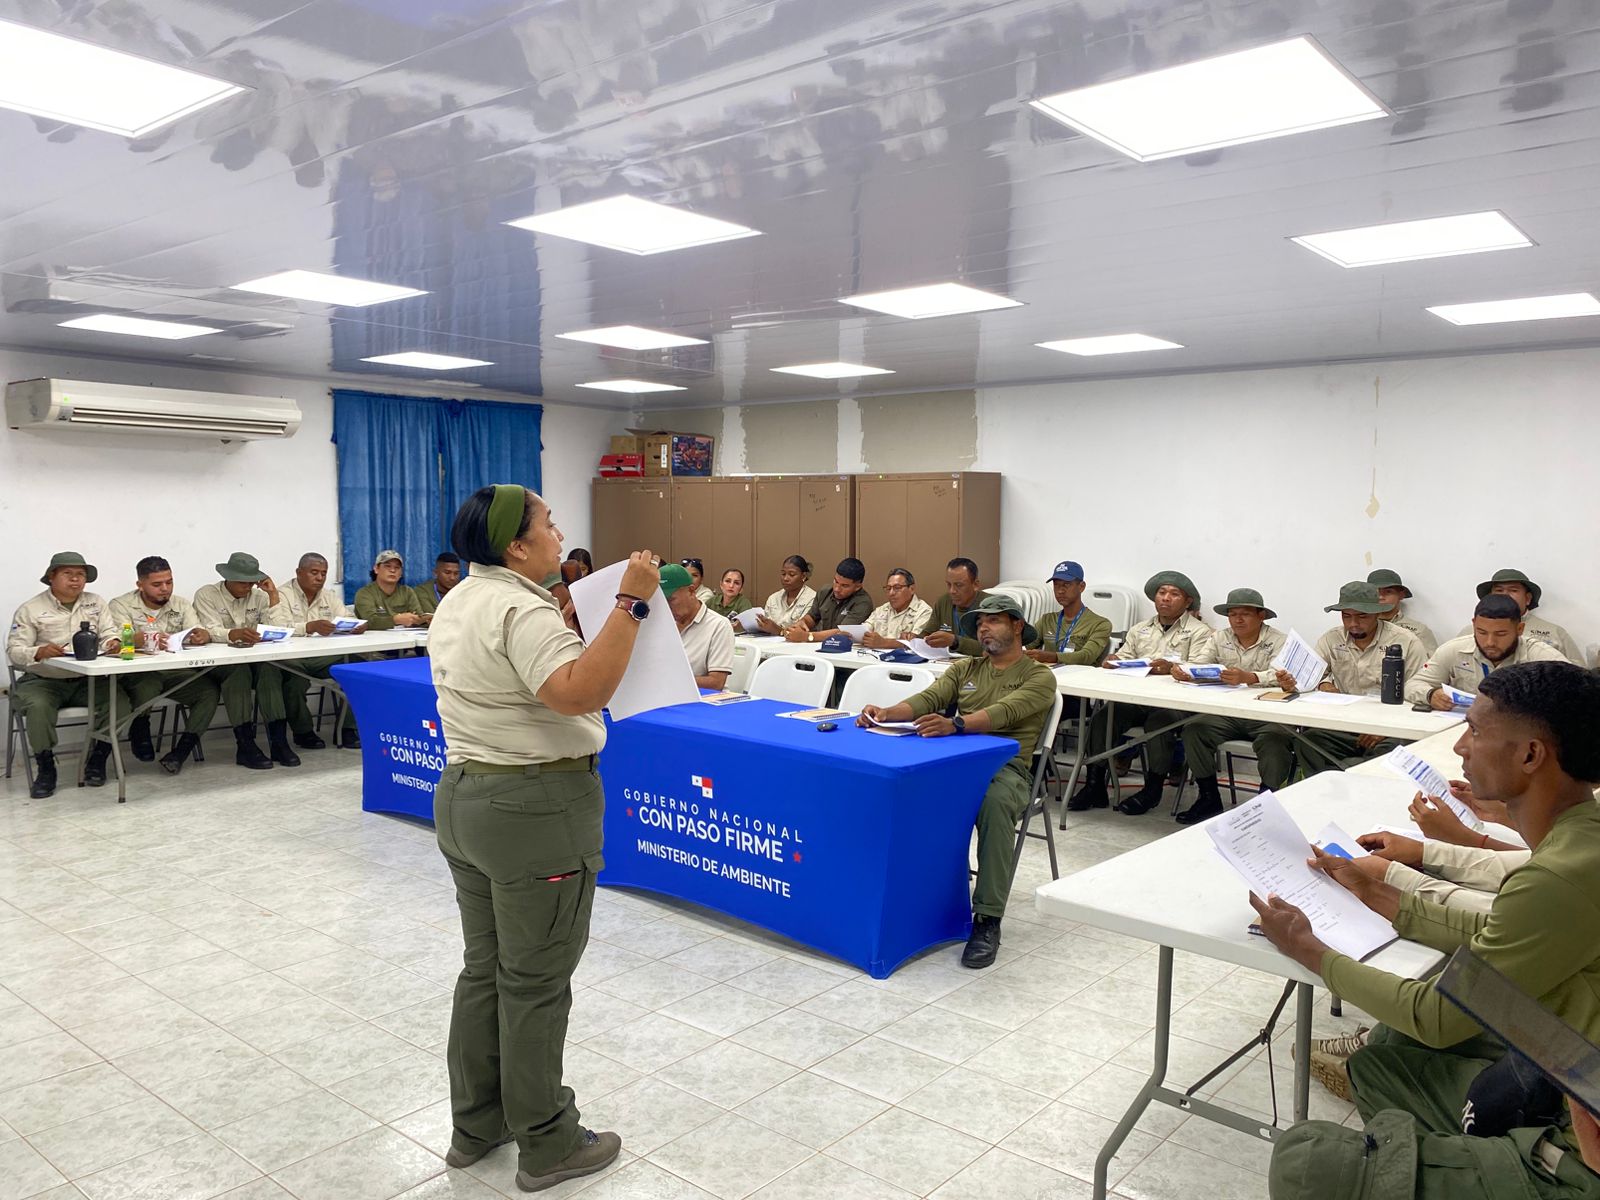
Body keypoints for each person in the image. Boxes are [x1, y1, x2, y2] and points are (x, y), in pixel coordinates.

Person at [1254, 662, 1600, 1200]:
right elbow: (1502, 929)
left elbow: (1435, 1017)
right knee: (1381, 1054)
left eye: (1476, 731)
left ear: (1531, 755)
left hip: (1582, 1135)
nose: (1461, 746)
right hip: (1572, 1062)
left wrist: (1309, 949)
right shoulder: (1581, 838)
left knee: (1308, 1166)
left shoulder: (1557, 876)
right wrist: (1379, 894)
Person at [428, 483, 654, 1191]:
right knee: (534, 982)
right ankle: (548, 1141)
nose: (560, 534)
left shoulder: (461, 598)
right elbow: (578, 692)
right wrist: (631, 604)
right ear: (516, 546)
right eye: (548, 525)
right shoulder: (520, 609)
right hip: (534, 808)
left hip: (467, 797)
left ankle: (477, 1126)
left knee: (486, 970)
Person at [857, 595, 1056, 969]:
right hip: (956, 763)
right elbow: (929, 698)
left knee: (994, 804)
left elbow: (1005, 711)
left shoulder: (1039, 676)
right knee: (908, 792)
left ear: (1017, 626)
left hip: (1006, 768)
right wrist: (886, 712)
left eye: (993, 621)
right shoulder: (966, 668)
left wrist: (956, 724)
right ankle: (920, 898)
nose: (983, 628)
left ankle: (987, 918)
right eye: (979, 623)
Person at [1068, 571, 1216, 815]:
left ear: (1187, 601)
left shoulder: (1201, 632)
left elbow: (1200, 667)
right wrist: (1114, 660)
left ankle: (1153, 789)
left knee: (1160, 723)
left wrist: (1172, 668)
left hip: (1177, 703)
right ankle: (1095, 785)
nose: (1165, 598)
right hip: (1138, 698)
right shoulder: (1140, 629)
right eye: (1161, 593)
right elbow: (1125, 657)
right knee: (1103, 718)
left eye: (1174, 594)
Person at [1171, 587, 1292, 824]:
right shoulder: (1220, 637)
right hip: (1226, 713)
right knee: (1194, 730)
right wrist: (1185, 672)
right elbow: (1200, 663)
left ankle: (1267, 804)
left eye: (1245, 614)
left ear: (1261, 616)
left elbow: (1284, 675)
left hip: (1267, 714)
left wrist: (1251, 677)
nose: (1238, 620)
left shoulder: (1279, 641)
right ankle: (1208, 797)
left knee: (1276, 740)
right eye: (1233, 614)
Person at [6, 551, 123, 796]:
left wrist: (113, 642)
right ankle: (46, 768)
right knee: (38, 707)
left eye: (81, 574)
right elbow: (14, 651)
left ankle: (98, 759)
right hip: (44, 680)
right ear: (51, 576)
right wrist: (39, 651)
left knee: (120, 703)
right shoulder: (31, 609)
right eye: (68, 574)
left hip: (87, 680)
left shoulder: (95, 602)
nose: (75, 579)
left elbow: (109, 633)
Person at [1283, 581, 1427, 774]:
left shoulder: (1405, 641)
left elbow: (1419, 691)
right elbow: (1310, 674)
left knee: (1390, 753)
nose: (1353, 624)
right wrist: (1323, 684)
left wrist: (1386, 728)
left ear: (1377, 614)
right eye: (1346, 616)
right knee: (1308, 742)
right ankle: (1330, 788)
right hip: (1345, 724)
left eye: (1362, 616)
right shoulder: (1332, 639)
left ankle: (1356, 783)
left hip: (1390, 726)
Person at [107, 556, 221, 775]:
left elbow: (196, 629)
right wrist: (138, 640)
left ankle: (181, 752)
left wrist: (201, 635)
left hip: (174, 672)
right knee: (148, 684)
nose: (165, 589)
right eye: (157, 584)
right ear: (140, 585)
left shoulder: (180, 604)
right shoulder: (120, 605)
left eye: (169, 582)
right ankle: (140, 727)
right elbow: (114, 641)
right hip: (137, 673)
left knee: (208, 692)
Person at [190, 551, 284, 770]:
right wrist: (232, 634)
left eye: (251, 582)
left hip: (255, 658)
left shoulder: (260, 596)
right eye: (243, 582)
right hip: (220, 663)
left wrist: (273, 596)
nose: (248, 587)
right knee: (238, 673)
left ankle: (279, 742)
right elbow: (209, 630)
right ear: (228, 577)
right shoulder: (207, 594)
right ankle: (246, 744)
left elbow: (279, 630)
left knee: (271, 670)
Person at [266, 552, 365, 751]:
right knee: (294, 680)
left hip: (323, 658)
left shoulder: (328, 595)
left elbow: (347, 616)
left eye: (323, 573)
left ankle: (348, 729)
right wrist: (309, 627)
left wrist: (356, 626)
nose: (319, 578)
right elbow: (278, 628)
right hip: (293, 658)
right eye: (314, 572)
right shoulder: (283, 594)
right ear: (299, 572)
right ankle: (303, 732)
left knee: (360, 669)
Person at [1406, 594, 1568, 709]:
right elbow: (1412, 685)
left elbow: (1576, 699)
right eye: (1482, 632)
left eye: (1501, 634)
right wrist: (1431, 695)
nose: (1490, 642)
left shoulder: (1544, 658)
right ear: (1474, 624)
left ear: (1520, 629)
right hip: (1462, 731)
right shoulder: (1454, 650)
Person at [1458, 568, 1583, 664]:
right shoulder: (1468, 632)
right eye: (1499, 590)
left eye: (1513, 590)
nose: (1505, 595)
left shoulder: (1555, 633)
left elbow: (1579, 675)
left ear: (1527, 598)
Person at [659, 564, 735, 689]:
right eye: (661, 602)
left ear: (691, 591)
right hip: (665, 693)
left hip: (702, 697)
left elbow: (716, 683)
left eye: (671, 600)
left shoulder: (718, 625)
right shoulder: (660, 624)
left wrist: (668, 681)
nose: (666, 607)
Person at [1024, 561, 1112, 666]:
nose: (1060, 591)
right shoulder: (1046, 620)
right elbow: (1025, 647)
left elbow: (1086, 656)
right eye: (1056, 585)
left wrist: (1051, 657)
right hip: (1049, 673)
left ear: (1081, 587)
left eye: (1066, 585)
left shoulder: (1100, 624)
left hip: (1079, 675)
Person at [784, 557, 873, 643]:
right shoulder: (825, 592)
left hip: (845, 647)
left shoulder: (863, 602)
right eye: (836, 581)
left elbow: (842, 632)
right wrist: (803, 623)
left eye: (844, 586)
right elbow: (812, 617)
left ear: (857, 587)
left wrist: (807, 636)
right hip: (820, 644)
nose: (837, 589)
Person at [919, 558, 989, 656]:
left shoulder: (990, 605)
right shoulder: (943, 602)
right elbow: (927, 634)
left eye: (959, 585)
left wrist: (955, 641)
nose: (952, 591)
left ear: (975, 585)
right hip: (944, 662)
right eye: (948, 584)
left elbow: (993, 648)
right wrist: (913, 640)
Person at [1366, 568, 1438, 656]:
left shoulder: (1418, 631)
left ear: (1401, 595)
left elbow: (1432, 663)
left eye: (1388, 592)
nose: (1381, 597)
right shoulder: (1359, 628)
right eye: (1376, 592)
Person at [354, 550, 429, 629]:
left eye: (397, 567)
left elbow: (418, 617)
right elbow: (369, 621)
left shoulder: (407, 591)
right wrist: (396, 620)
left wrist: (424, 620)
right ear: (376, 569)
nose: (393, 570)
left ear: (401, 573)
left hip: (405, 635)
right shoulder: (364, 593)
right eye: (387, 566)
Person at [860, 568, 934, 648]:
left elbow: (917, 643)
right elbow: (864, 629)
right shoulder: (881, 610)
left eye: (897, 588)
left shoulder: (924, 612)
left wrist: (884, 643)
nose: (891, 593)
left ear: (911, 589)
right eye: (888, 588)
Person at [756, 555, 815, 634]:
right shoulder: (773, 598)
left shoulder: (812, 598)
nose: (785, 578)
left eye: (792, 574)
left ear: (803, 576)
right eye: (783, 574)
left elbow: (800, 631)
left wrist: (778, 630)